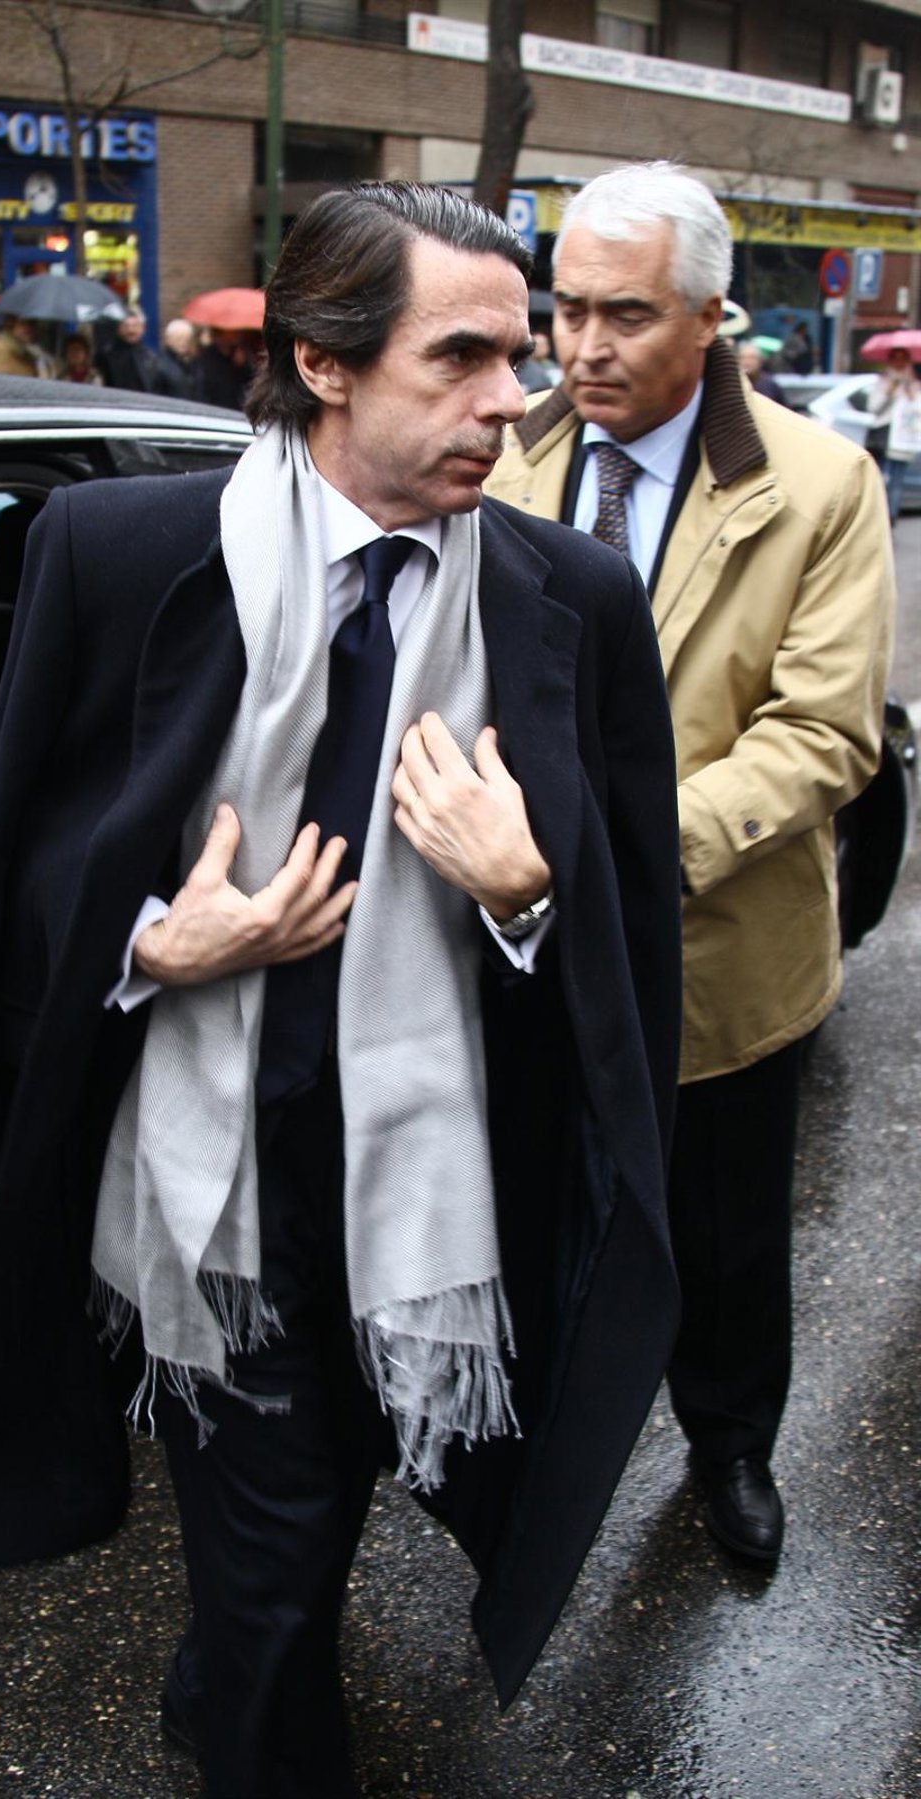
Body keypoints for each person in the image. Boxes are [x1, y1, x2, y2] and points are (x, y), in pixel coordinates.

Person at [0, 180, 682, 1798]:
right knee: (274, 1563)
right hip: (218, 1192)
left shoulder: (573, 597)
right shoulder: (121, 552)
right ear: (323, 362)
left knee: (325, 1515)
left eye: (519, 354)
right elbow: (17, 858)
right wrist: (154, 942)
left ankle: (227, 1658)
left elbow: (633, 954)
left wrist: (526, 889)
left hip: (443, 1199)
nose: (513, 396)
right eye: (460, 356)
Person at [487, 162, 894, 1569]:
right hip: (521, 925)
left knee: (722, 1236)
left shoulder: (821, 481)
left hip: (714, 948)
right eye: (567, 309)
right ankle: (532, 1462)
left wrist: (621, 858)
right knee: (540, 1206)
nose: (585, 346)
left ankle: (728, 1442)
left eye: (628, 315)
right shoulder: (504, 449)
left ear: (711, 317)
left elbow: (824, 734)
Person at [869, 346, 921, 526]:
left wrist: (911, 394)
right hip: (883, 435)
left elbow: (916, 411)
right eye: (896, 358)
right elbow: (873, 408)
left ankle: (891, 516)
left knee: (897, 479)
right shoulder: (883, 381)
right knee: (880, 477)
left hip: (903, 438)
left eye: (903, 358)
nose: (899, 363)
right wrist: (889, 393)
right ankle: (876, 515)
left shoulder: (914, 384)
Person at [96, 306, 159, 391]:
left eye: (135, 326)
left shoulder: (150, 357)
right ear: (119, 328)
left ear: (143, 329)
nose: (131, 330)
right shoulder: (107, 355)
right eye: (126, 326)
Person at [0, 311, 57, 379]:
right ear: (11, 326)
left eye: (32, 323)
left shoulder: (33, 354)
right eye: (23, 323)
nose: (28, 328)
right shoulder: (3, 352)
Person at [155, 316, 202, 400]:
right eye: (178, 338)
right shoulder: (160, 364)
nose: (183, 342)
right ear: (168, 340)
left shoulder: (190, 363)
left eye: (186, 339)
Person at [737, 340, 786, 406]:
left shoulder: (770, 385)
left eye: (751, 358)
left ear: (760, 361)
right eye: (743, 358)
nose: (747, 362)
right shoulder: (733, 385)